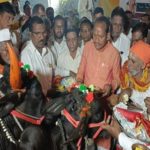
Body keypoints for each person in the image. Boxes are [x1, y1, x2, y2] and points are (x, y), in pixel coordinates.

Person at [77, 16, 121, 97]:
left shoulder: (114, 54)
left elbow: (117, 79)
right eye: (94, 35)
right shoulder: (87, 47)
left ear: (107, 36)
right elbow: (81, 70)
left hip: (103, 96)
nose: (96, 40)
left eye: (100, 36)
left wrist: (111, 86)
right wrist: (79, 81)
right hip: (85, 93)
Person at [21, 16, 55, 95]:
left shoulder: (49, 52)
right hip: (36, 102)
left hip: (50, 99)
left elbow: (54, 70)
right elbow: (28, 87)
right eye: (37, 33)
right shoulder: (25, 55)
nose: (42, 37)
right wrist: (50, 93)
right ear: (30, 34)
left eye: (44, 32)